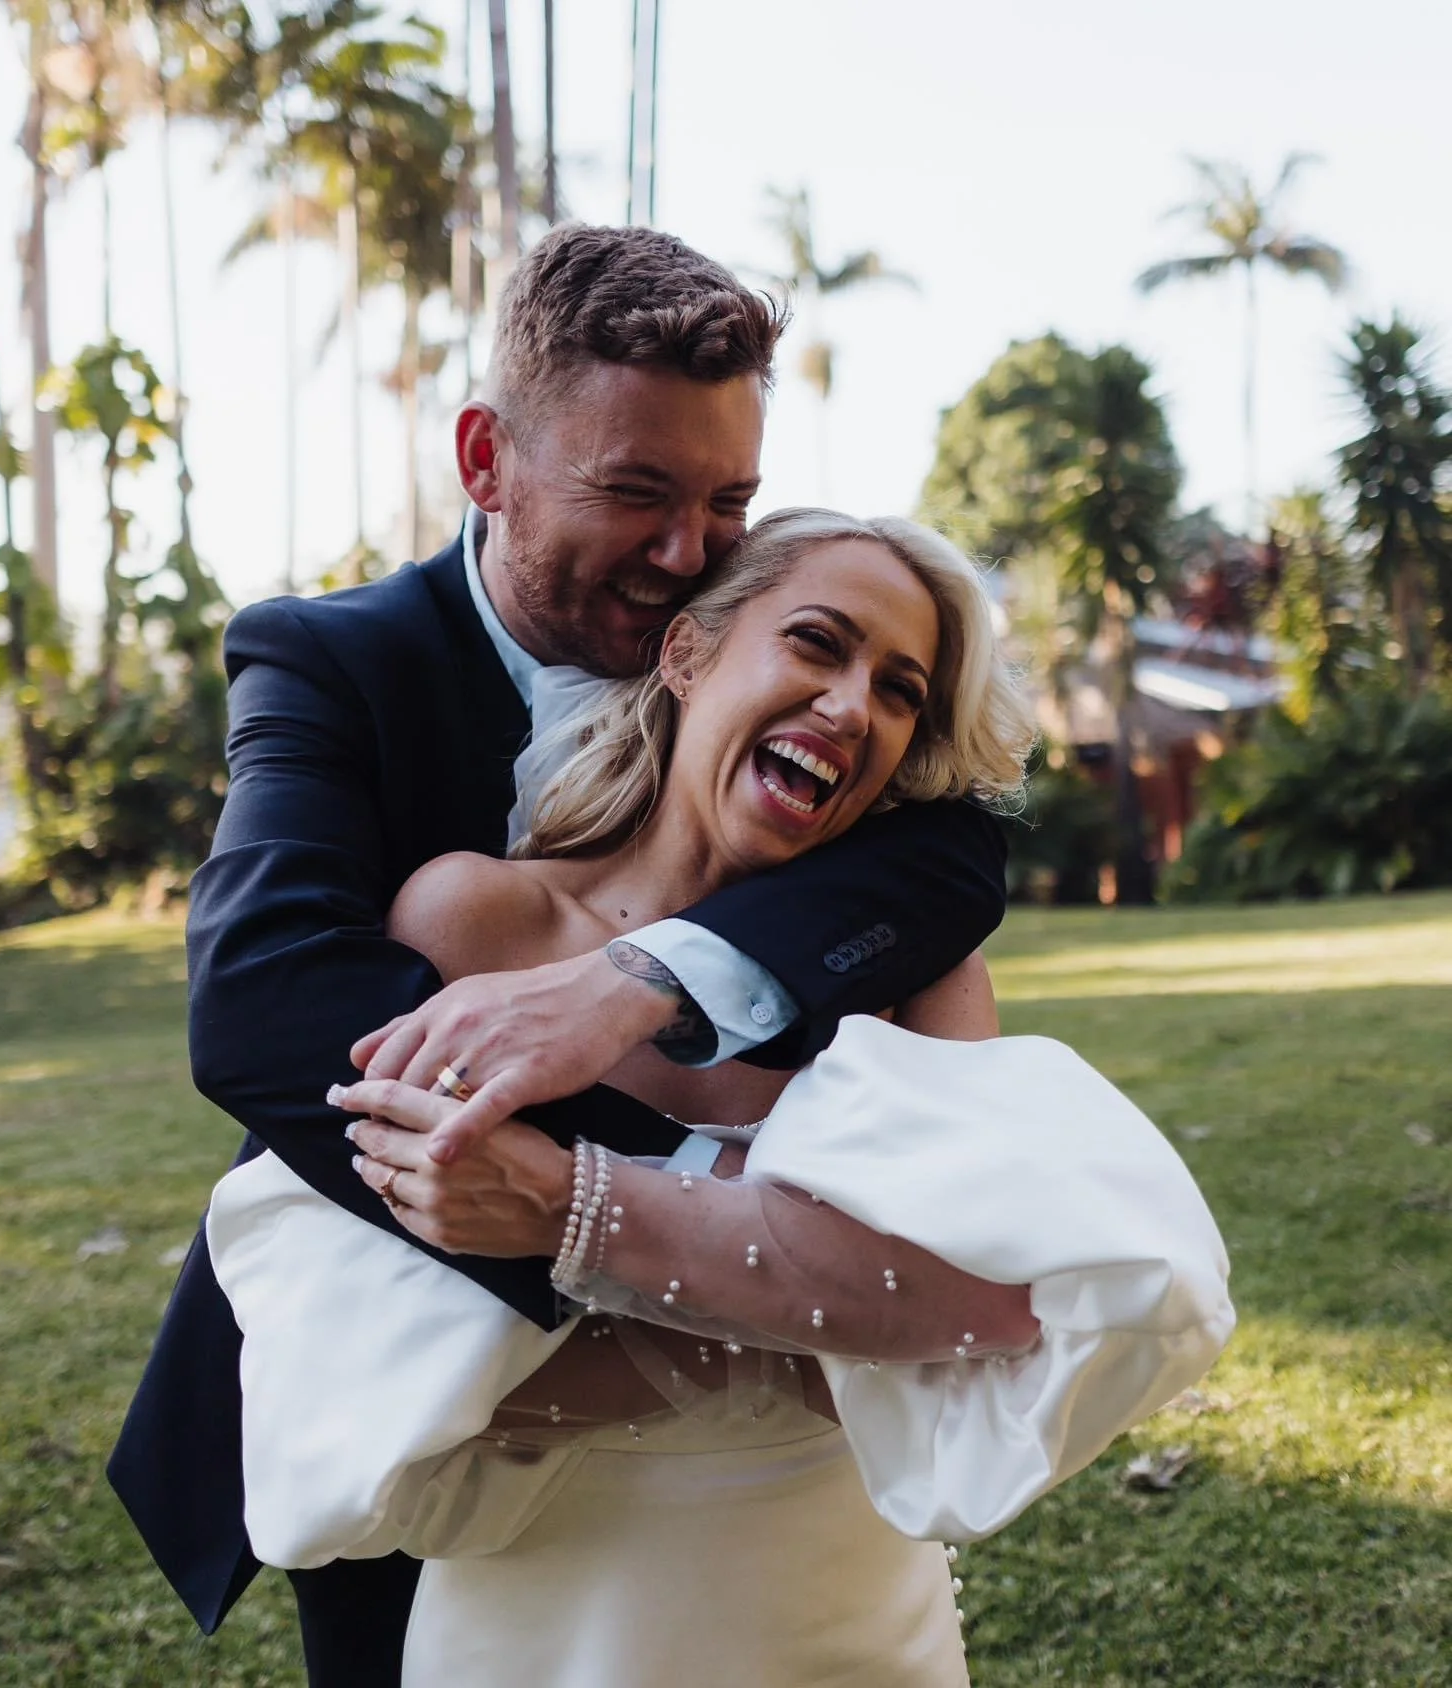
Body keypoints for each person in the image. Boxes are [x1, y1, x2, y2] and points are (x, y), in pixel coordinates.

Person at [107, 225, 1012, 1686]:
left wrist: (634, 987)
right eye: (637, 492)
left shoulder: (799, 678)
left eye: (728, 501)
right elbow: (267, 1002)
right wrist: (649, 1215)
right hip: (415, 1324)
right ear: (487, 459)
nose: (687, 552)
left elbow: (956, 849)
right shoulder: (333, 663)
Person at [206, 510, 1234, 1686]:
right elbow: (384, 1364)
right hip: (543, 1619)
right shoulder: (474, 921)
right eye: (815, 642)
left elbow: (993, 1308)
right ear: (685, 654)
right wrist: (818, 1310)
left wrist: (572, 1210)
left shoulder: (921, 973)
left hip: (848, 1621)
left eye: (898, 689)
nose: (852, 706)